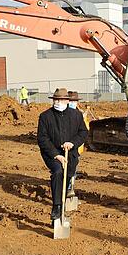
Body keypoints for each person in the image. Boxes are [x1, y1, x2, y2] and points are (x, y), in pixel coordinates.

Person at [37, 88, 88, 223]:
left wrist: (72, 143)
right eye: (56, 100)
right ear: (53, 100)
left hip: (70, 153)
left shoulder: (76, 115)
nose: (58, 102)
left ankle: (62, 200)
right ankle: (57, 206)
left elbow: (83, 133)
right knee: (58, 171)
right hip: (52, 154)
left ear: (67, 101)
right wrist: (55, 155)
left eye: (61, 100)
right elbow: (42, 138)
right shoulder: (45, 116)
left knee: (68, 175)